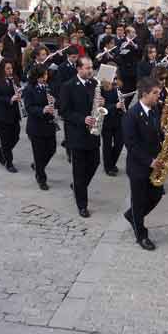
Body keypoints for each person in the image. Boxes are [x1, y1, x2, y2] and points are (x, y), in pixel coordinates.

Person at [123, 76, 164, 251]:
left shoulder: (155, 110)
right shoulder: (131, 115)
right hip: (139, 166)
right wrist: (150, 161)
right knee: (139, 201)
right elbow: (131, 144)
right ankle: (141, 235)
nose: (158, 97)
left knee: (156, 195)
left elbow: (156, 135)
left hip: (155, 163)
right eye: (155, 93)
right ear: (145, 94)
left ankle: (132, 215)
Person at [60, 56, 104, 218]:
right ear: (78, 69)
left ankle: (79, 187)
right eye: (87, 68)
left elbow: (96, 103)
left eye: (91, 67)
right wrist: (82, 119)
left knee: (95, 163)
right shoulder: (68, 86)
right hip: (77, 135)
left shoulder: (94, 83)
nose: (90, 70)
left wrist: (101, 103)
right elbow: (64, 111)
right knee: (79, 171)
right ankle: (82, 205)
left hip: (93, 133)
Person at [23, 65, 58, 190]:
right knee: (38, 153)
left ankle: (38, 166)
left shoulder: (48, 87)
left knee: (51, 149)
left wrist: (54, 101)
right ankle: (41, 177)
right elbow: (29, 107)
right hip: (36, 127)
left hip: (49, 125)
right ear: (37, 77)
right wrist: (42, 109)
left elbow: (55, 102)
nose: (45, 78)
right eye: (43, 76)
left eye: (46, 75)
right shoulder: (29, 89)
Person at [0, 61, 22, 173]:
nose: (10, 71)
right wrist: (10, 99)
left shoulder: (15, 79)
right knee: (5, 139)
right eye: (7, 69)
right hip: (1, 115)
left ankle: (1, 151)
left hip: (14, 114)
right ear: (2, 69)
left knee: (16, 137)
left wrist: (19, 93)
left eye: (11, 68)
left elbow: (18, 89)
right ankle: (9, 162)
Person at [100, 73, 125, 176]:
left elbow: (120, 104)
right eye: (112, 77)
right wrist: (115, 106)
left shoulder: (117, 89)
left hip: (118, 120)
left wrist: (122, 103)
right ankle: (108, 167)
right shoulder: (100, 90)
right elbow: (100, 107)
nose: (114, 80)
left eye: (115, 77)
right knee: (107, 145)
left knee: (120, 143)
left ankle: (112, 163)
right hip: (106, 121)